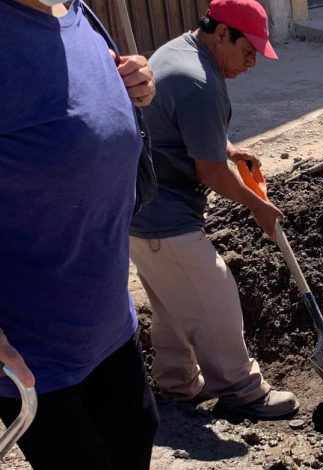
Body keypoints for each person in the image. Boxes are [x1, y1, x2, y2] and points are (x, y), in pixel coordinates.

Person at [0, 0, 159, 468]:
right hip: (32, 356)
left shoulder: (77, 12)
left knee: (136, 438)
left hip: (108, 326)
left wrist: (135, 85)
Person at [128, 0, 299, 420]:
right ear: (221, 34)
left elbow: (189, 132)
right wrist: (259, 206)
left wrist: (228, 147)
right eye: (247, 50)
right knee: (215, 294)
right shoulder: (200, 82)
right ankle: (242, 390)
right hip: (162, 218)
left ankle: (177, 384)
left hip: (137, 213)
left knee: (172, 301)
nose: (251, 62)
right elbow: (210, 173)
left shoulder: (178, 51)